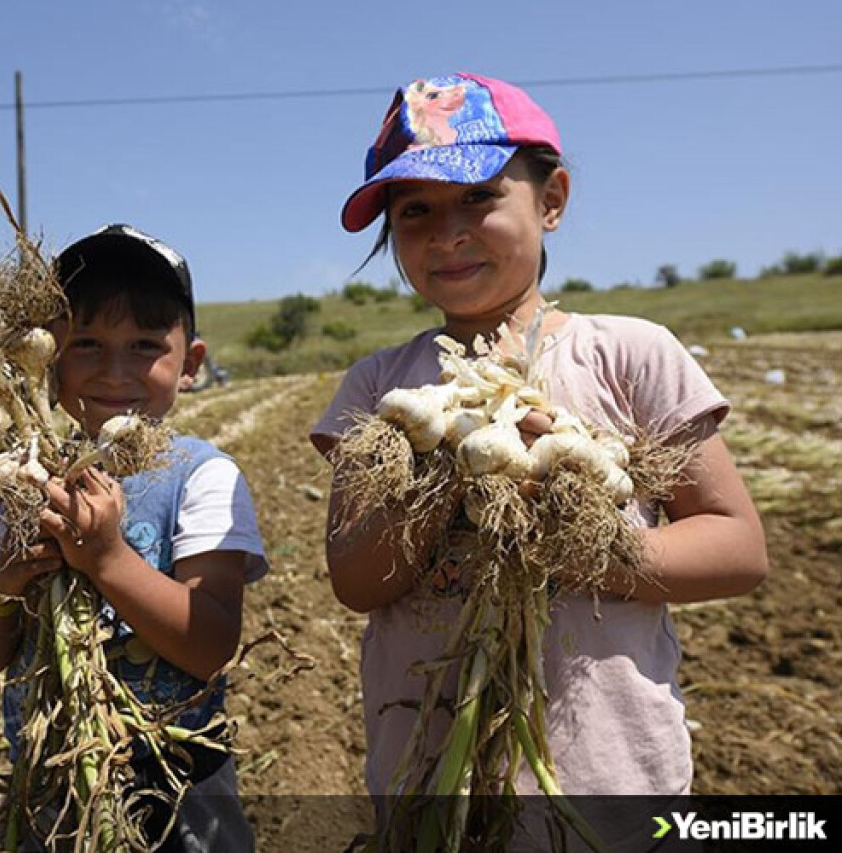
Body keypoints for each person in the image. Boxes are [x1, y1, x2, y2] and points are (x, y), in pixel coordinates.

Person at [310, 73, 767, 819]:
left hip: (608, 784)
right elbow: (357, 579)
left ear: (550, 199)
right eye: (415, 210)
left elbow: (739, 547)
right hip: (427, 782)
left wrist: (583, 535)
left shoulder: (630, 354)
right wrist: (451, 468)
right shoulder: (379, 388)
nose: (447, 232)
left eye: (478, 198)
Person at [0, 224, 267, 851]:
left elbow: (210, 645)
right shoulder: (22, 485)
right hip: (49, 792)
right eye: (88, 344)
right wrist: (6, 582)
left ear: (191, 366)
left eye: (145, 345)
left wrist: (108, 559)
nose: (115, 370)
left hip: (182, 795)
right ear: (43, 361)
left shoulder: (202, 476)